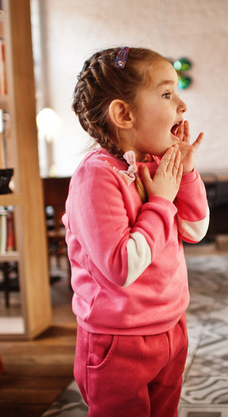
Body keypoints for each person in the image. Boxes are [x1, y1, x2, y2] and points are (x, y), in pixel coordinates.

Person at [64, 46, 209, 417]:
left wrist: (185, 173)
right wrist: (161, 200)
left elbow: (195, 229)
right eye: (165, 94)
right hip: (119, 342)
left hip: (172, 326)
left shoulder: (154, 163)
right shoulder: (95, 176)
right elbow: (122, 267)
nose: (181, 105)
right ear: (124, 114)